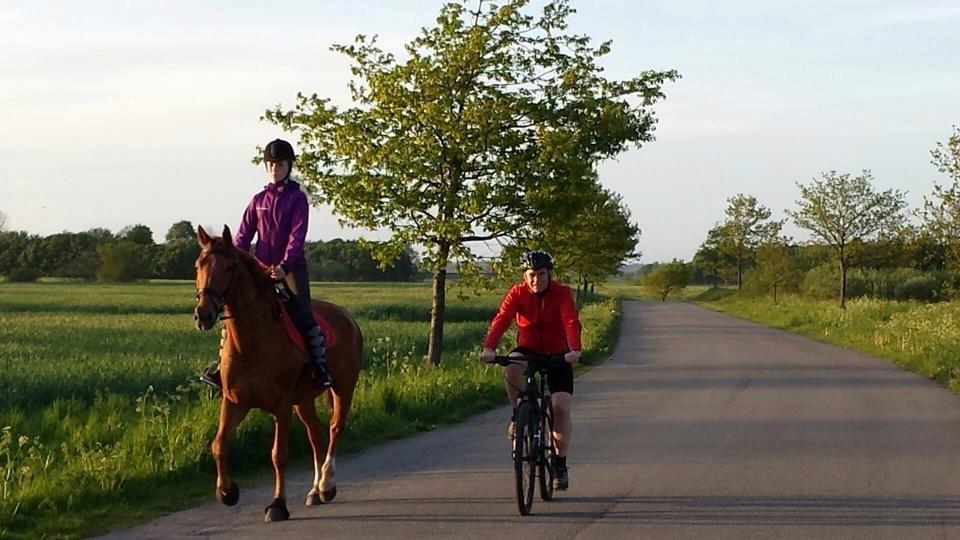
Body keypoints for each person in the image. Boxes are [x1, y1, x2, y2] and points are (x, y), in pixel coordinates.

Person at [201, 138, 332, 389]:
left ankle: (319, 366)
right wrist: (236, 261)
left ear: (288, 166)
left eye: (280, 164)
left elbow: (297, 236)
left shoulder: (297, 199)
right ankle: (221, 368)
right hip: (259, 268)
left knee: (303, 313)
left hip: (290, 269)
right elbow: (242, 237)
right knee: (234, 310)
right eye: (271, 164)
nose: (275, 169)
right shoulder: (258, 200)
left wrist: (284, 266)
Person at [480, 250, 582, 491]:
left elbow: (570, 321)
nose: (536, 280)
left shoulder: (561, 293)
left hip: (558, 354)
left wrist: (574, 349)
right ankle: (519, 415)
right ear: (525, 276)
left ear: (549, 274)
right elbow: (502, 319)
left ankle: (559, 464)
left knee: (561, 408)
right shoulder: (517, 293)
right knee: (512, 367)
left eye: (541, 274)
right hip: (528, 349)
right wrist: (489, 348)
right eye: (531, 275)